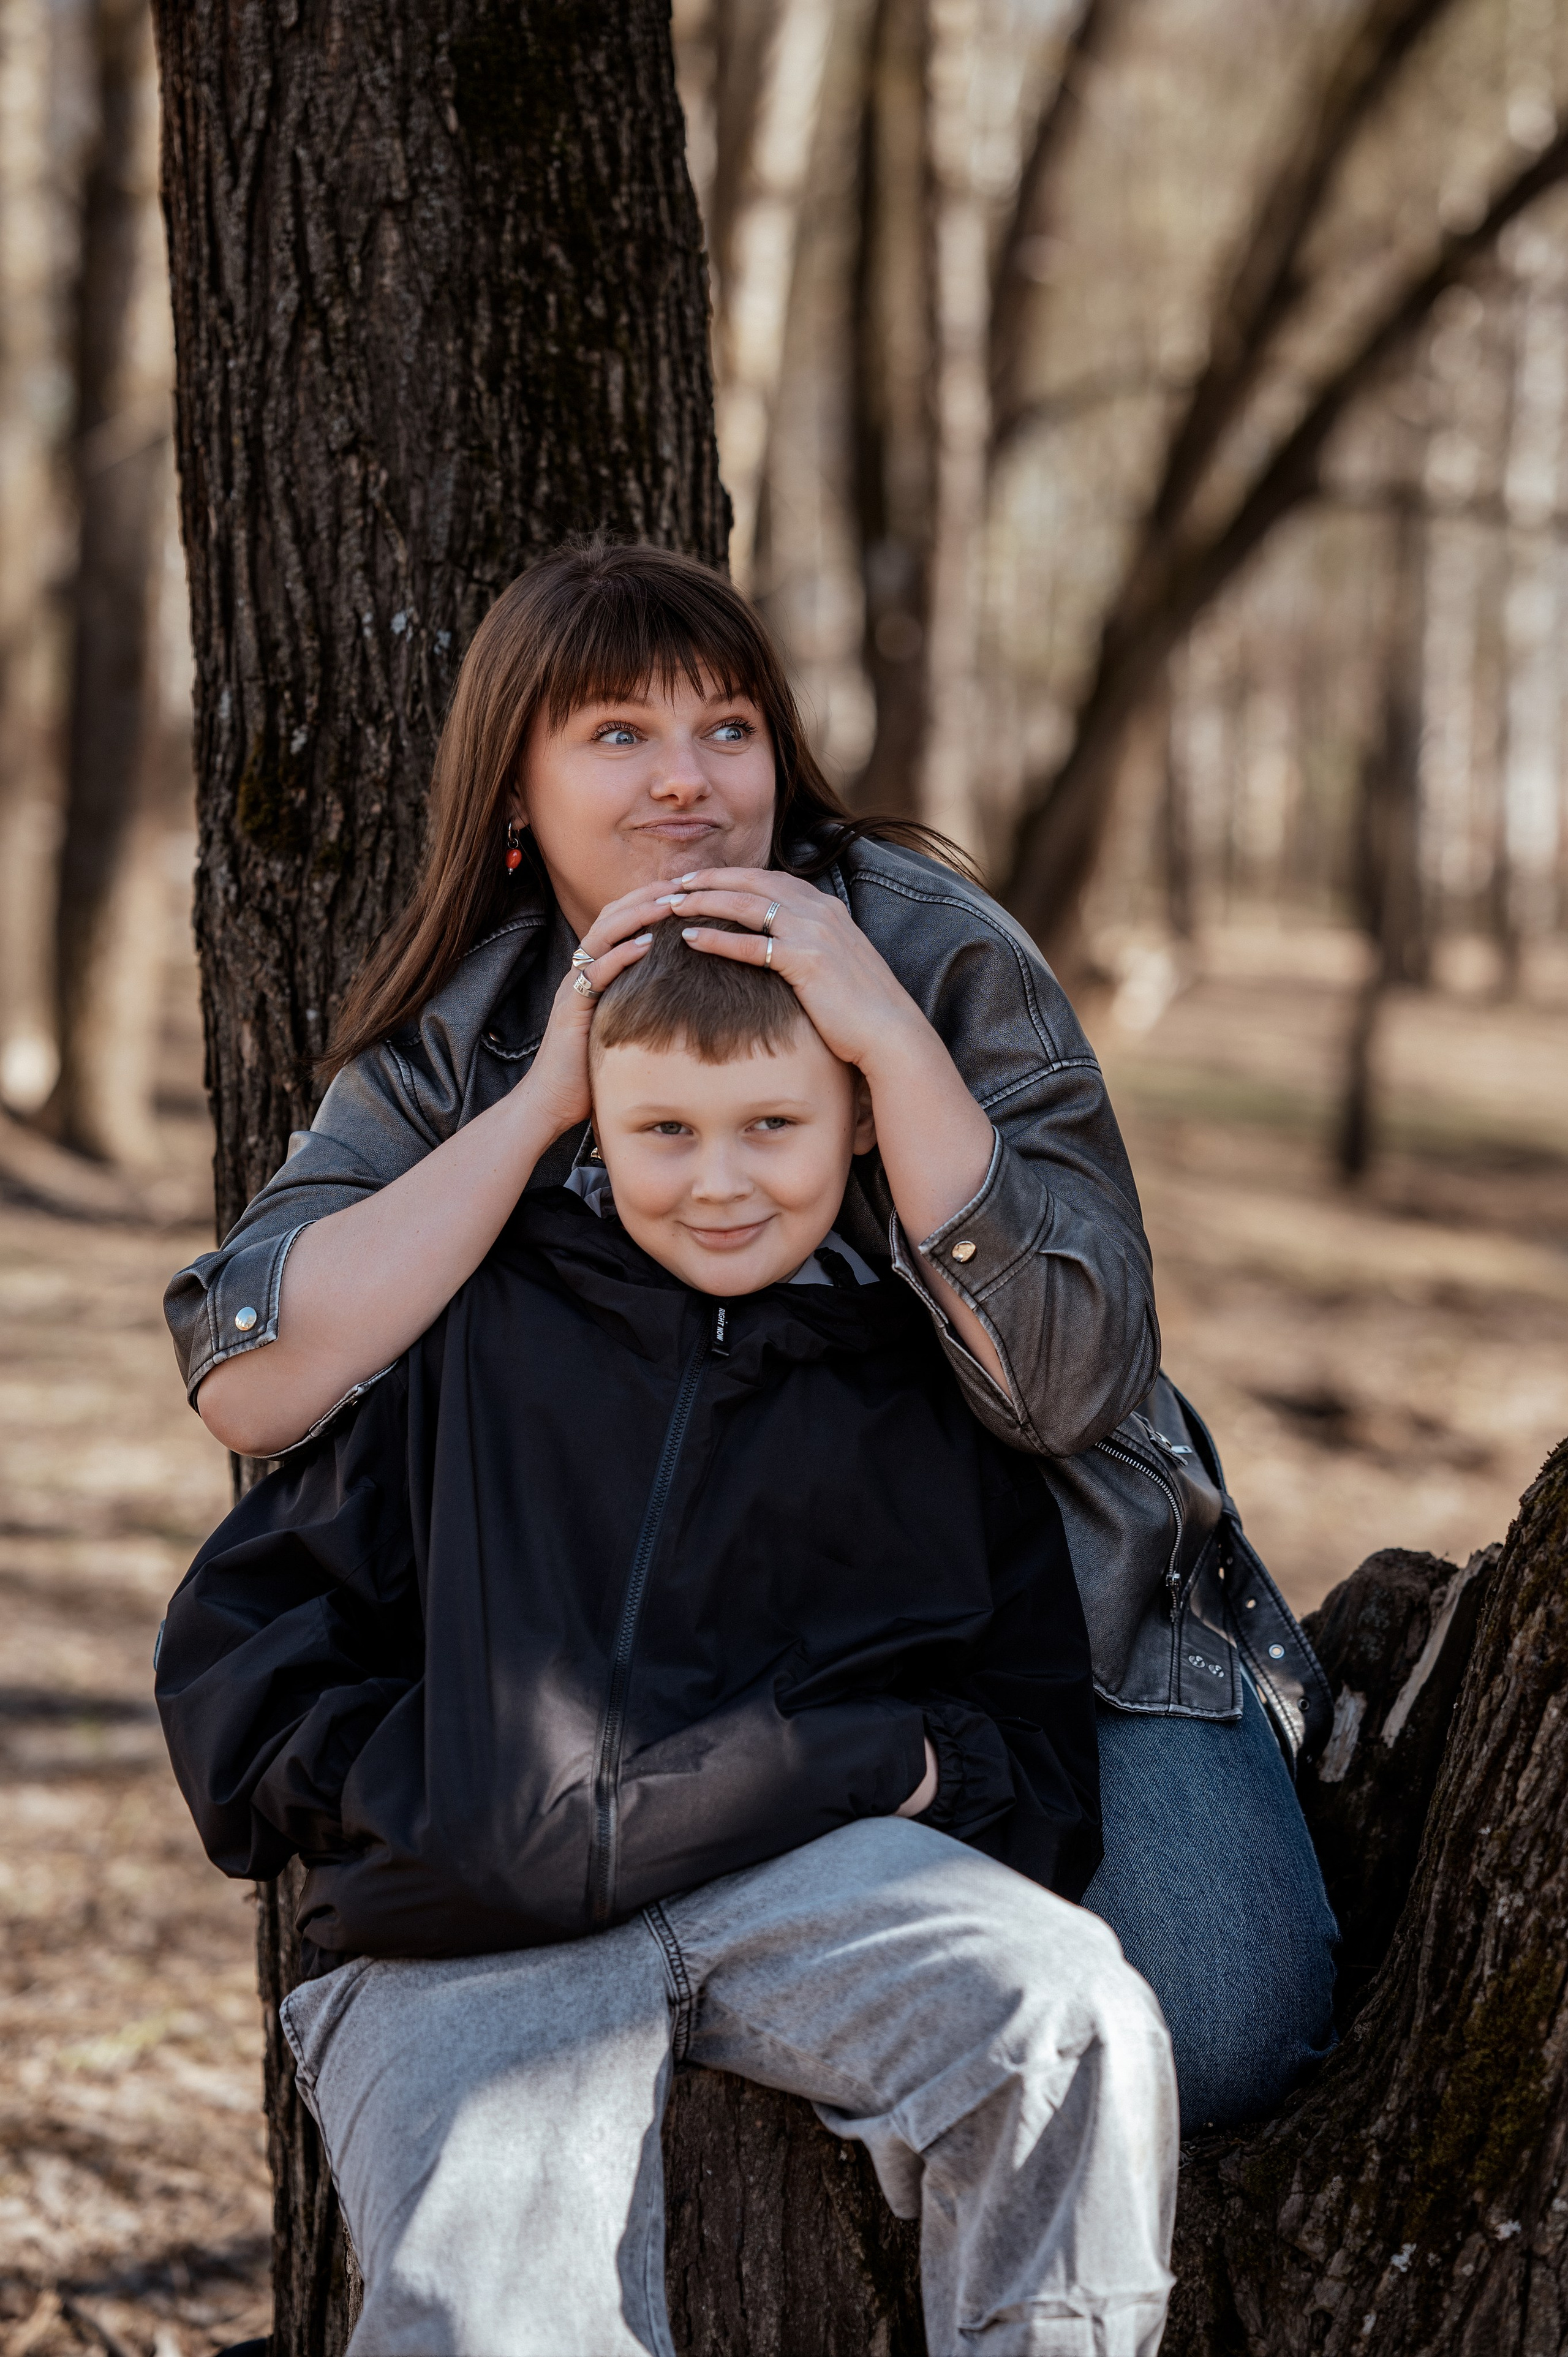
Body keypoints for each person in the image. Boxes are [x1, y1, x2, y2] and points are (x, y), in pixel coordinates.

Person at [163, 538, 1336, 2128]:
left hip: (1053, 1616)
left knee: (1217, 2029)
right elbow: (251, 1372)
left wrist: (884, 1037)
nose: (686, 785)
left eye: (728, 728)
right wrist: (538, 1111)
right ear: (516, 793)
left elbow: (1069, 1391)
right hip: (668, 1667)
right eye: (617, 735)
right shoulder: (470, 1035)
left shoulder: (938, 950)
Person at [157, 920, 1179, 2357]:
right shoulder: (481, 1319)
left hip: (811, 1887)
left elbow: (1027, 1740)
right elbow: (243, 1643)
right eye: (663, 1130)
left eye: (772, 1124)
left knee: (1072, 2021)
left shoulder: (920, 1383)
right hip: (464, 1928)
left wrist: (910, 1764)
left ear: (860, 1121)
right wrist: (429, 1794)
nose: (717, 1180)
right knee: (488, 2315)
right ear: (595, 1124)